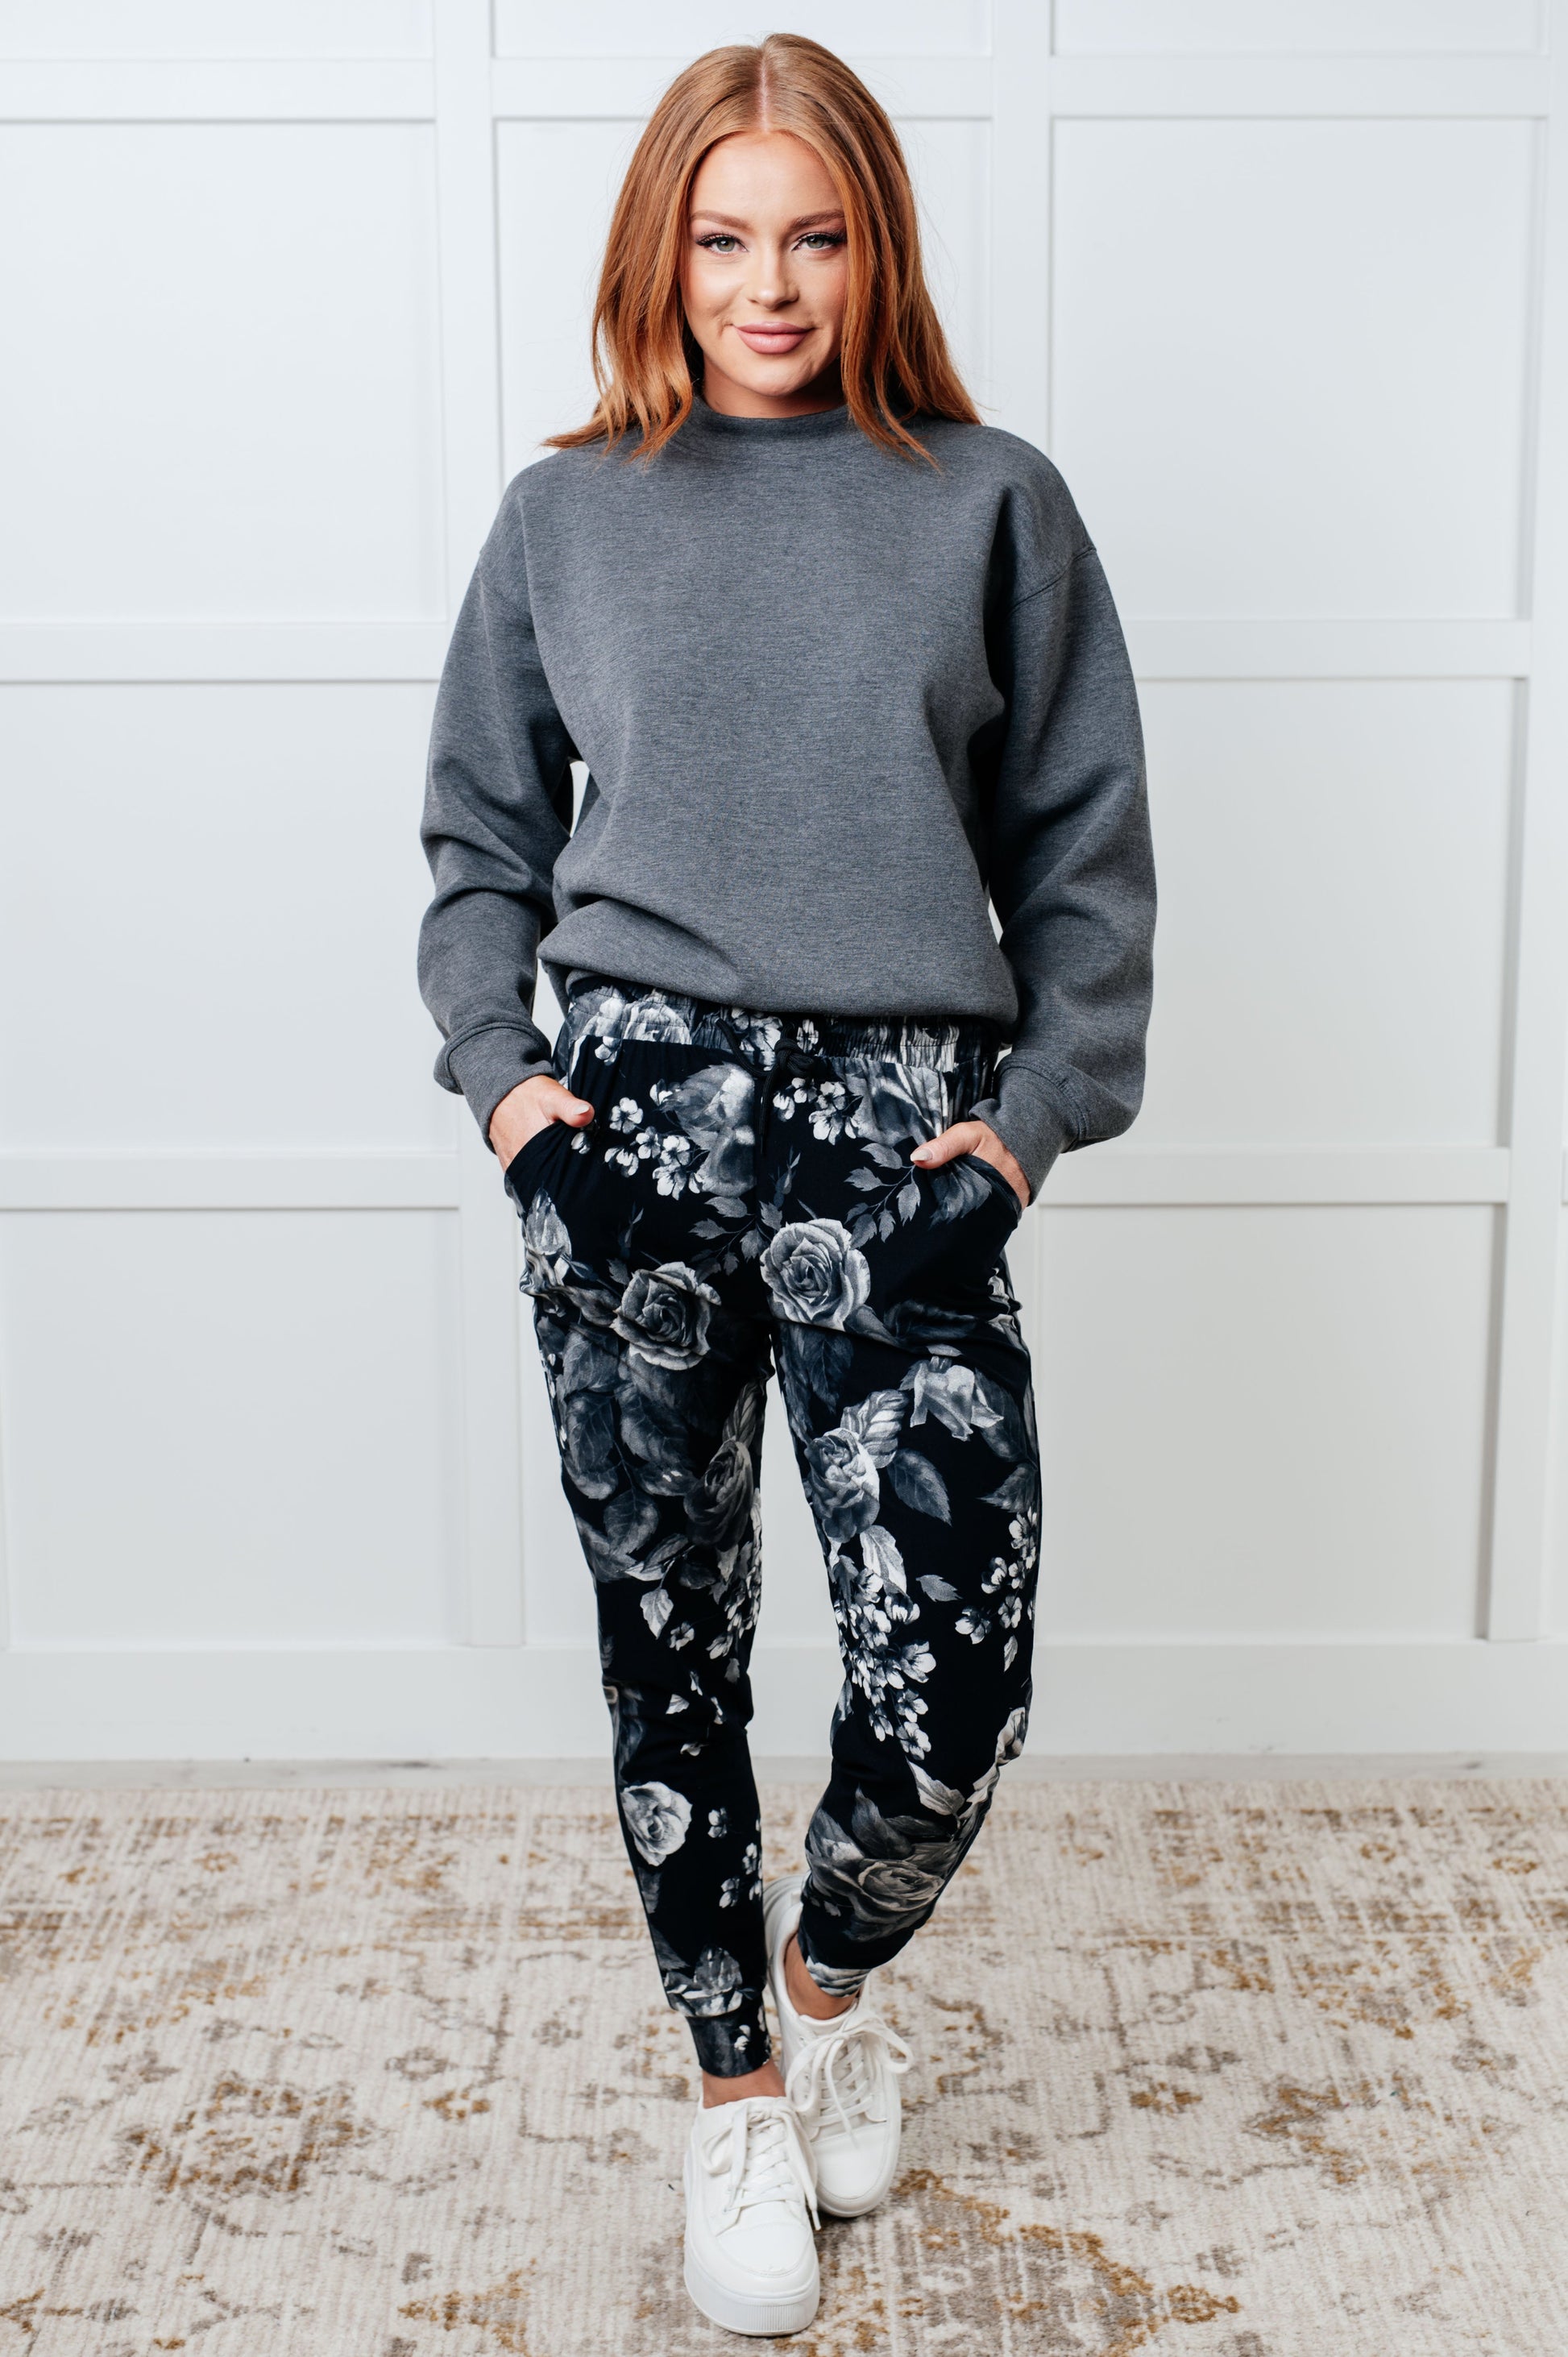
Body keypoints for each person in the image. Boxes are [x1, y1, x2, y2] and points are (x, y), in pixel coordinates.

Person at [417, 32, 1155, 2341]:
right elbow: (476, 847)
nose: (768, 282)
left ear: (876, 247)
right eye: (723, 236)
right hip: (631, 1131)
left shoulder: (989, 502)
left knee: (950, 1689)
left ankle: (827, 1997)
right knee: (675, 1652)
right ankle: (729, 2086)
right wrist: (518, 1107)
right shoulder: (563, 520)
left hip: (898, 1137)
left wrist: (1024, 1133)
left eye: (813, 235)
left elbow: (1085, 864)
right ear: (663, 248)